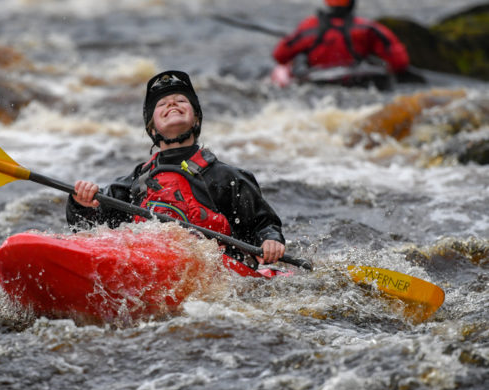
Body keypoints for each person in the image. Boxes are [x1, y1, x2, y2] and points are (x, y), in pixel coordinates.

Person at [66, 70, 286, 267]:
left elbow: (263, 224)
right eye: (162, 105)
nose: (172, 105)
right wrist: (81, 202)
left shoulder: (226, 177)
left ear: (196, 120)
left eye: (181, 100)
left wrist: (270, 241)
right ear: (152, 129)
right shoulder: (136, 182)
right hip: (147, 266)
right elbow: (89, 228)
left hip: (214, 273)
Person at [272, 0, 410, 75]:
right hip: (356, 81)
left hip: (316, 81)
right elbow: (400, 62)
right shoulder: (368, 28)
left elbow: (279, 56)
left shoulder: (308, 27)